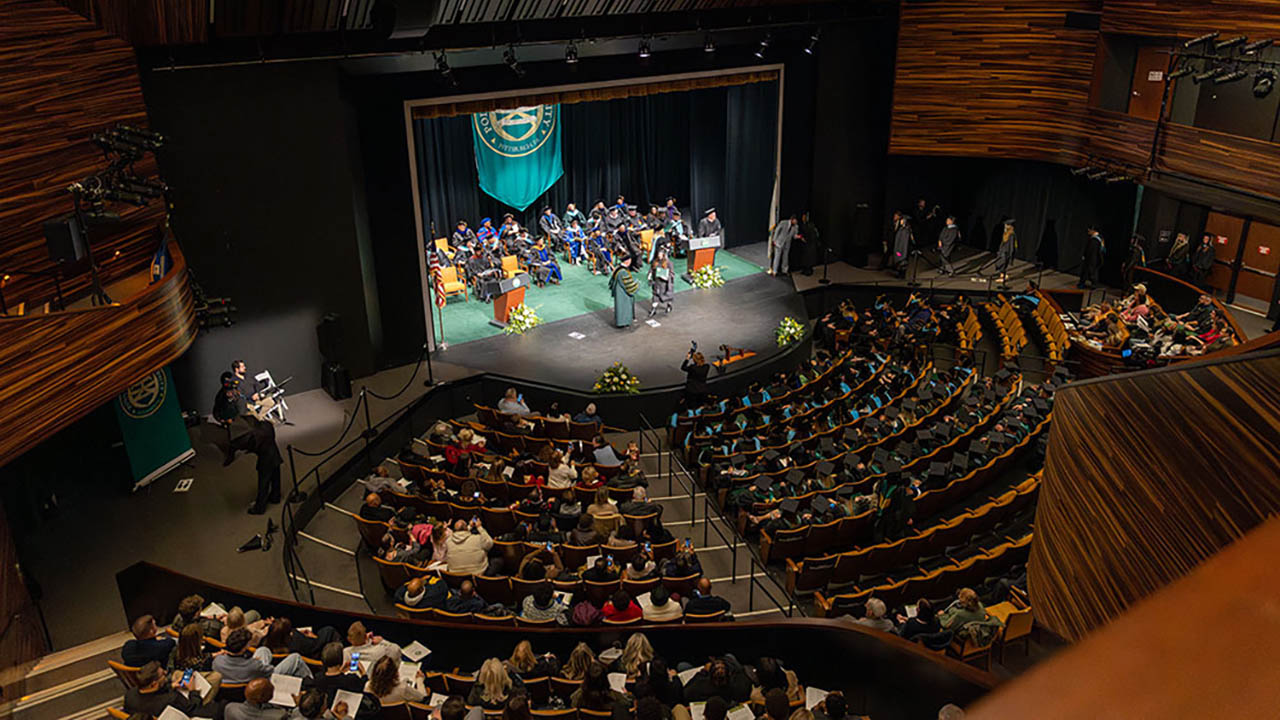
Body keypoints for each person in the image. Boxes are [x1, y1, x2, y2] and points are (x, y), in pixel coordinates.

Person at [214, 628, 313, 683]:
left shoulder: (217, 661)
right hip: (260, 683)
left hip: (242, 677)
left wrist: (256, 663)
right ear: (244, 648)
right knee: (295, 658)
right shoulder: (253, 665)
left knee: (263, 650)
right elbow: (270, 670)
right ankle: (312, 682)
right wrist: (257, 663)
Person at [124, 661, 215, 718]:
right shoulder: (171, 699)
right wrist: (192, 690)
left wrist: (171, 686)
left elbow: (153, 695)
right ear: (154, 684)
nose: (166, 672)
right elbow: (193, 708)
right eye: (163, 674)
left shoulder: (129, 695)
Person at [610, 256, 640, 328]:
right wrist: (637, 284)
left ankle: (621, 322)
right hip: (622, 293)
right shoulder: (623, 272)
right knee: (624, 307)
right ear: (627, 261)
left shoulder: (618, 268)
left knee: (620, 307)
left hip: (619, 290)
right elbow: (628, 285)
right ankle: (623, 323)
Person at [648, 248, 675, 316]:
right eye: (658, 254)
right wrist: (649, 274)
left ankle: (669, 305)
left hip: (664, 283)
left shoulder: (669, 263)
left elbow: (672, 274)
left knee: (665, 296)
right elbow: (651, 269)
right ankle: (653, 309)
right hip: (657, 282)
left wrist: (666, 277)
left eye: (660, 254)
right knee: (655, 296)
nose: (659, 256)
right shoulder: (655, 261)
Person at [994, 219, 1017, 284]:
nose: (1005, 226)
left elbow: (1012, 245)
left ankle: (1002, 277)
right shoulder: (1006, 233)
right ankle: (1003, 275)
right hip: (1002, 251)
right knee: (999, 263)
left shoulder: (1011, 235)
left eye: (1006, 225)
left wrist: (1010, 254)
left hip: (1006, 252)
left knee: (1003, 264)